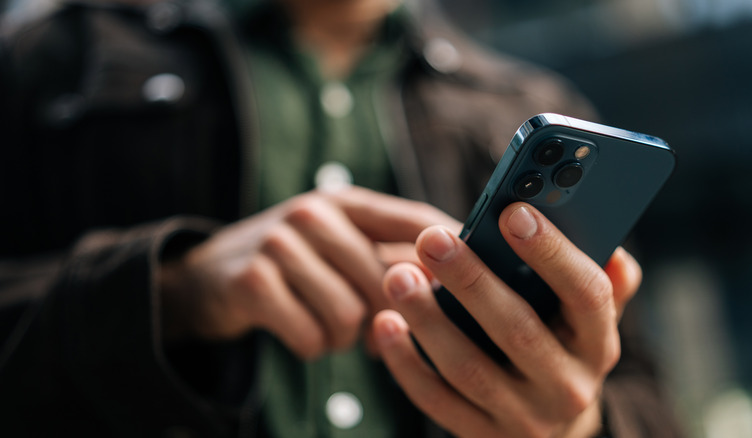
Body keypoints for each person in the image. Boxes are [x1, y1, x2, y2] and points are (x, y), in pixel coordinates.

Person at [0, 0, 682, 436]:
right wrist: (179, 292)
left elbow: (649, 405)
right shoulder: (53, 62)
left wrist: (581, 424)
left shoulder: (525, 102)